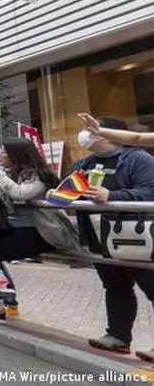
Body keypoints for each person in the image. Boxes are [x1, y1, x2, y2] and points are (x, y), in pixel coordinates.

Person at [72, 115, 154, 357]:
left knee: (151, 286)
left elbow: (149, 191)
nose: (85, 134)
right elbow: (73, 191)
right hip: (99, 236)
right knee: (114, 286)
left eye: (91, 130)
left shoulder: (138, 159)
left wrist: (112, 196)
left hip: (137, 235)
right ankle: (118, 336)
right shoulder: (83, 164)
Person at [0, 138, 61, 323]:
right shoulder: (5, 173)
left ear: (16, 155)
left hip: (37, 232)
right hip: (10, 229)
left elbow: (20, 194)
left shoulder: (40, 175)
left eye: (3, 152)